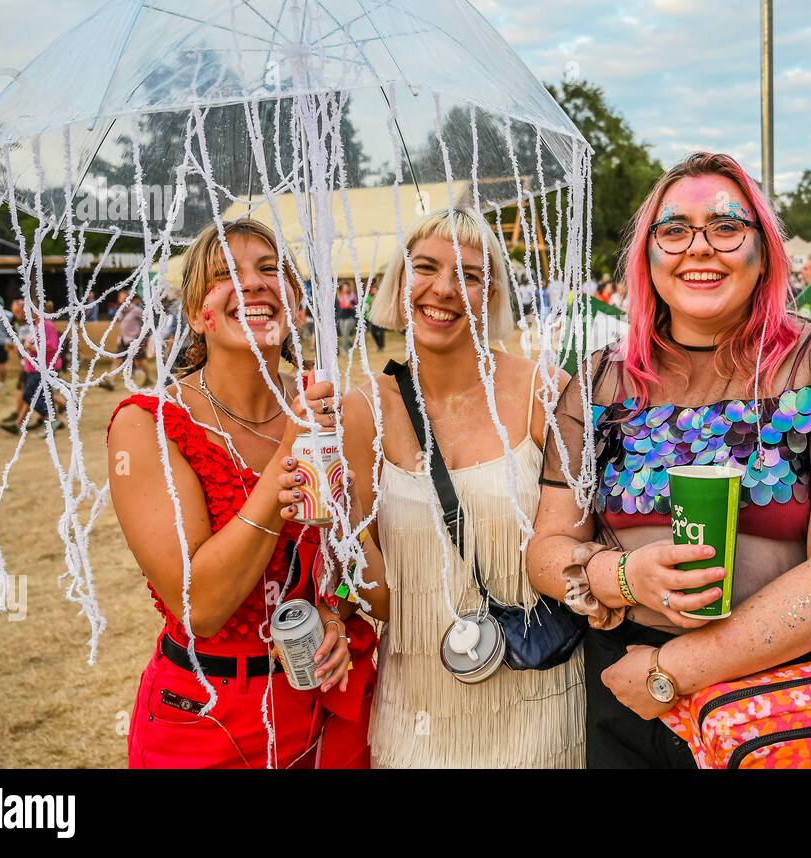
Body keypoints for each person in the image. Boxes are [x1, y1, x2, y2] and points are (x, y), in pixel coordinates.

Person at [526, 152, 811, 768]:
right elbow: (545, 550)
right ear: (646, 256)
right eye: (673, 230)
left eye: (727, 227)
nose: (699, 248)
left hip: (793, 704)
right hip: (629, 702)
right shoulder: (597, 384)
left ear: (764, 251)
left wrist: (674, 670)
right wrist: (620, 577)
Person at [291, 207, 584, 768]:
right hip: (418, 712)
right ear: (400, 282)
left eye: (470, 275)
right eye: (425, 267)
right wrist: (343, 518)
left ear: (492, 294)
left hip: (539, 697)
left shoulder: (546, 391)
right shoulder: (360, 414)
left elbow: (576, 551)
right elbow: (376, 599)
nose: (443, 289)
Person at [106, 217, 376, 769]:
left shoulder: (337, 413)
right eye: (225, 274)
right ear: (194, 314)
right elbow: (199, 605)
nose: (253, 283)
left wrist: (333, 611)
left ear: (296, 304)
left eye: (270, 270)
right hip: (201, 719)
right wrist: (288, 454)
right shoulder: (149, 427)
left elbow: (363, 562)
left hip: (323, 705)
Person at [3, 303, 64, 433]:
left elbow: (52, 346)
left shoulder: (47, 325)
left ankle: (52, 418)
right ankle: (52, 419)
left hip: (44, 368)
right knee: (42, 395)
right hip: (33, 368)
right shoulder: (35, 327)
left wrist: (32, 348)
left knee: (29, 395)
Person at [116, 292, 153, 387]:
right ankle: (111, 382)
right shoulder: (121, 311)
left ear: (128, 298)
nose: (121, 299)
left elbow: (147, 321)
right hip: (123, 340)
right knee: (118, 359)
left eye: (123, 297)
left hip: (135, 340)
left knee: (140, 361)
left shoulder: (136, 310)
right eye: (120, 297)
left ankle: (148, 378)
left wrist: (144, 336)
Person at [335, 280, 358, 354]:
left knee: (345, 333)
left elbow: (356, 306)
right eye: (344, 287)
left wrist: (350, 305)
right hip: (342, 317)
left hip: (350, 317)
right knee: (343, 334)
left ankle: (346, 349)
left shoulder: (352, 295)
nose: (345, 288)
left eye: (346, 287)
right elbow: (339, 307)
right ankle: (350, 344)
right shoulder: (340, 295)